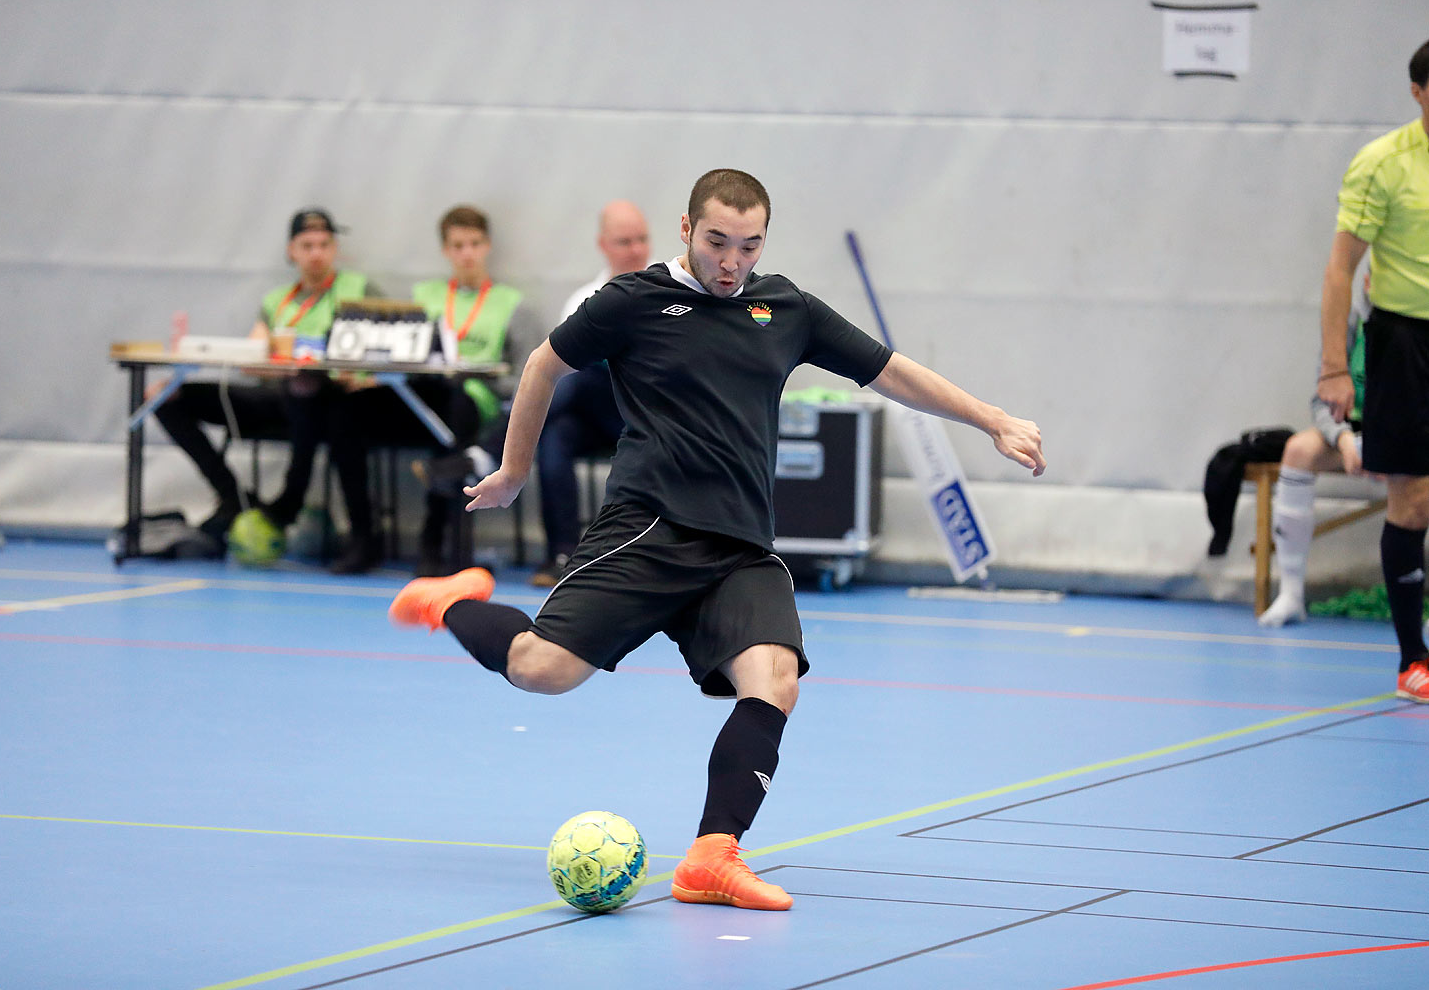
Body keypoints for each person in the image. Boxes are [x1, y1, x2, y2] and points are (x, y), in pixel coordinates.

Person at [388, 169, 1045, 909]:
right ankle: (451, 602)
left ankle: (710, 858)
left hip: (740, 546)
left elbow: (890, 372)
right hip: (649, 529)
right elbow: (543, 363)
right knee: (543, 670)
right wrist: (513, 469)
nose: (732, 262)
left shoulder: (785, 307)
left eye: (749, 245)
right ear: (686, 229)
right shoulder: (633, 301)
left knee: (775, 680)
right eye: (717, 242)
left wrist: (992, 419)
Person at [153, 208, 377, 552]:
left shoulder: (358, 290)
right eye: (307, 245)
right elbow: (252, 360)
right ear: (292, 251)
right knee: (166, 397)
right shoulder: (277, 301)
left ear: (334, 249)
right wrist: (281, 364)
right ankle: (233, 496)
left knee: (310, 389)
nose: (316, 253)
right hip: (276, 396)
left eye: (323, 244)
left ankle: (289, 503)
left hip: (331, 400)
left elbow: (380, 351)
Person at [325, 205, 533, 575]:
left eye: (474, 243)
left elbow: (524, 376)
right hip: (419, 394)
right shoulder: (425, 296)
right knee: (345, 413)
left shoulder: (510, 303)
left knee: (455, 408)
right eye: (457, 245)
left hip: (471, 401)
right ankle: (362, 535)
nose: (466, 253)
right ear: (446, 251)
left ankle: (433, 541)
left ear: (486, 246)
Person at [1317, 37, 1429, 702]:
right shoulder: (1383, 164)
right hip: (1404, 344)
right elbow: (1340, 270)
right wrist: (1335, 369)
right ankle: (1413, 660)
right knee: (1411, 501)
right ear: (1419, 92)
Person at [531, 200, 650, 586]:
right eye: (624, 241)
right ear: (603, 244)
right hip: (589, 415)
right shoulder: (583, 299)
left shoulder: (668, 294)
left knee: (579, 377)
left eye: (641, 239)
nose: (635, 250)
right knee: (554, 438)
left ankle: (488, 448)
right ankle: (562, 554)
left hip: (643, 416)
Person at [1258, 269, 1370, 627]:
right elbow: (1321, 400)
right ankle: (1291, 594)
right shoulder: (1349, 323)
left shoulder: (1414, 327)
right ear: (1368, 283)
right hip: (1351, 436)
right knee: (1298, 450)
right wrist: (1344, 439)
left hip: (1405, 438)